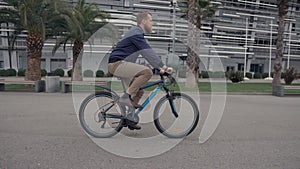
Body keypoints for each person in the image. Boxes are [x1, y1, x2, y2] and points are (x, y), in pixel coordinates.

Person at [108, 11, 169, 130]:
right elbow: (148, 51)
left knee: (139, 92)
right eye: (151, 21)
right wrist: (163, 66)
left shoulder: (137, 34)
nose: (152, 24)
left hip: (120, 64)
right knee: (147, 72)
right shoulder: (136, 33)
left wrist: (159, 67)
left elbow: (146, 54)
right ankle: (126, 98)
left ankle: (130, 119)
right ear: (144, 21)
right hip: (117, 64)